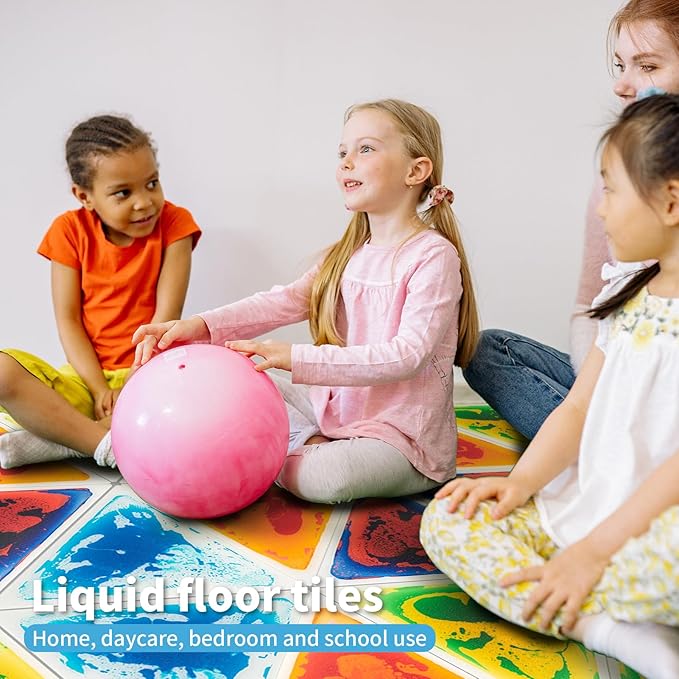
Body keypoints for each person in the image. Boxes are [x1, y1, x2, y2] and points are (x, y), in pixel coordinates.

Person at [421, 94, 679, 679]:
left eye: (610, 190)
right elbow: (579, 406)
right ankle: (604, 627)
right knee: (447, 521)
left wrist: (593, 554)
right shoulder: (629, 299)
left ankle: (600, 597)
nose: (601, 210)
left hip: (655, 529)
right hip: (586, 514)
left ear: (670, 200)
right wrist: (519, 485)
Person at [132, 99, 479, 504]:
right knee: (234, 366)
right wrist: (200, 327)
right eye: (342, 152)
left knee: (325, 477)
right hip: (336, 413)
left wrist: (296, 358)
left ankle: (281, 452)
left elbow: (407, 356)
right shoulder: (348, 253)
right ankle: (302, 443)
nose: (346, 162)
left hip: (400, 440)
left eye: (365, 149)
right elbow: (282, 302)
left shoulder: (433, 256)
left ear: (415, 171)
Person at [462, 0, 679, 439]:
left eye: (647, 66)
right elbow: (590, 307)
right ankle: (601, 443)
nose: (622, 85)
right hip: (620, 372)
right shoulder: (615, 178)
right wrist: (600, 384)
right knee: (488, 350)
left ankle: (602, 450)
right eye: (620, 65)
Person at [0, 115, 201, 469]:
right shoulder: (68, 231)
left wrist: (133, 386)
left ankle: (71, 440)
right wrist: (99, 390)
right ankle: (104, 441)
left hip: (152, 372)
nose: (145, 202)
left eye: (152, 183)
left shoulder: (175, 224)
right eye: (123, 192)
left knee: (209, 398)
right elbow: (68, 321)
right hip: (88, 380)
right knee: (3, 371)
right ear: (84, 196)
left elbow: (165, 320)